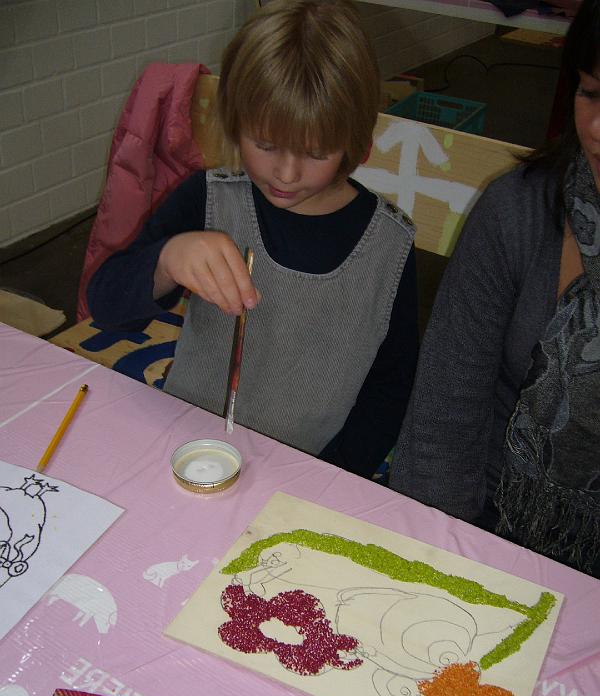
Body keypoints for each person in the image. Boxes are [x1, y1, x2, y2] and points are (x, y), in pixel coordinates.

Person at [87, 0, 418, 480]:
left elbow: (391, 388)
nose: (285, 173)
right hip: (187, 450)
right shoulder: (207, 201)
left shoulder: (388, 248)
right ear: (236, 122)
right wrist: (166, 260)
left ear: (357, 142)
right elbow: (106, 305)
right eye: (265, 145)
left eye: (316, 152)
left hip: (309, 473)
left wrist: (327, 479)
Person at [390, 0, 600, 577]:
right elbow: (444, 413)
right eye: (591, 94)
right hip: (490, 521)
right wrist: (442, 561)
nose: (598, 130)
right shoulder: (517, 211)